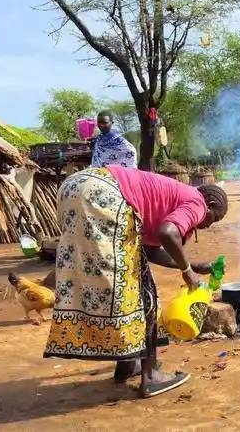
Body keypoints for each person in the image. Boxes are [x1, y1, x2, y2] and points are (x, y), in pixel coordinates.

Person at [44, 166, 228, 398]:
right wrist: (187, 270)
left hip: (73, 189)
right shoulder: (197, 202)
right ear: (210, 205)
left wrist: (194, 264)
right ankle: (150, 377)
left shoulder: (171, 197)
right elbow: (168, 232)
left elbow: (150, 251)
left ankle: (127, 364)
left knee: (125, 289)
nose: (208, 224)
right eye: (214, 218)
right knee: (145, 295)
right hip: (105, 194)